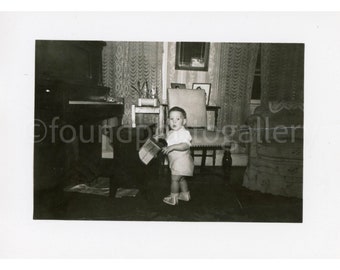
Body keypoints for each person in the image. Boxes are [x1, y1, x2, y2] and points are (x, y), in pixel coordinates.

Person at [161, 106, 194, 205]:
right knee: (181, 179)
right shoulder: (172, 132)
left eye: (178, 119)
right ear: (168, 121)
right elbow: (168, 141)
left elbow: (185, 145)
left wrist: (172, 147)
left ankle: (173, 198)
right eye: (171, 119)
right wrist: (160, 137)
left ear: (184, 121)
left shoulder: (184, 133)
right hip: (176, 163)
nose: (174, 122)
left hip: (182, 162)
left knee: (174, 180)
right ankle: (185, 195)